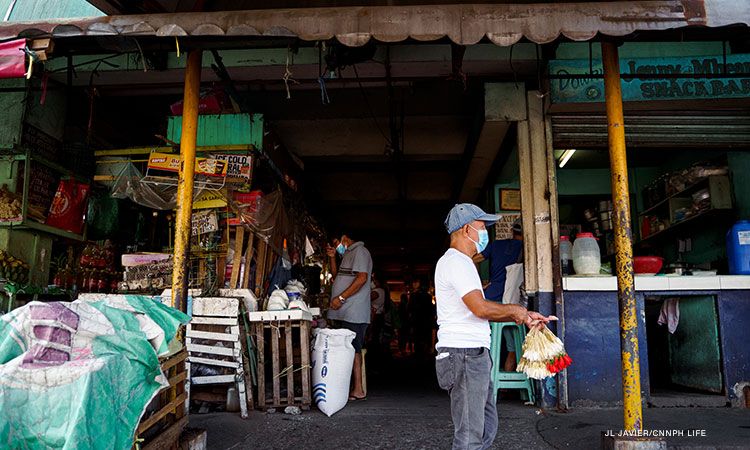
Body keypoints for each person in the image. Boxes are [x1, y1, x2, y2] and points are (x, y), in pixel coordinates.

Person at [435, 204, 552, 450]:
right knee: (469, 437)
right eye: (482, 227)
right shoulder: (457, 262)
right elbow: (480, 308)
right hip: (464, 354)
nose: (486, 232)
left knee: (486, 427)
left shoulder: (462, 263)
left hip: (472, 354)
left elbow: (482, 310)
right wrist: (516, 310)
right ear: (467, 229)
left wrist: (524, 316)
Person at [473, 218, 524, 371]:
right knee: (512, 347)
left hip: (489, 298)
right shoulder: (527, 248)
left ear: (512, 231)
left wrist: (478, 283)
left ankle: (486, 378)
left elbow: (472, 259)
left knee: (484, 344)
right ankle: (507, 386)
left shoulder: (496, 245)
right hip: (510, 301)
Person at [327, 232, 373, 401]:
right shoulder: (347, 254)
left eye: (336, 241)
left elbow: (362, 279)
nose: (336, 245)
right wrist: (332, 257)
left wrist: (340, 298)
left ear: (345, 238)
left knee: (353, 348)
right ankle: (347, 388)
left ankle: (358, 389)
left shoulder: (360, 251)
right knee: (345, 348)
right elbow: (337, 276)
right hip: (343, 311)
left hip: (353, 311)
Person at [409, 277, 436, 359]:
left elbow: (410, 309)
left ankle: (418, 356)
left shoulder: (414, 296)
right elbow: (431, 310)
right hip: (426, 322)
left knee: (418, 342)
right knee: (425, 341)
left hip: (417, 321)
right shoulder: (428, 296)